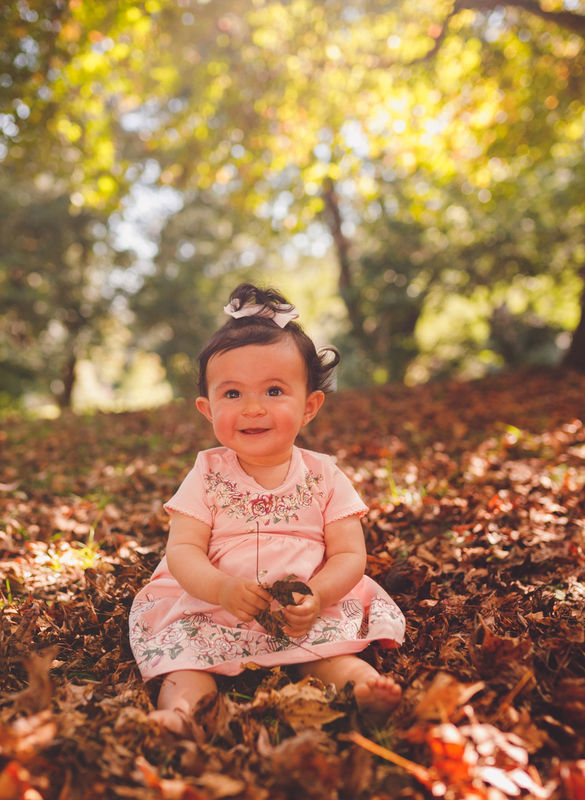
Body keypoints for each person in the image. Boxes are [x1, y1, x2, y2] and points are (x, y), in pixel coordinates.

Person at [129, 283, 406, 734]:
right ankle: (180, 714)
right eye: (233, 394)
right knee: (185, 662)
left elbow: (350, 555)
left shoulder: (324, 475)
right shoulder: (206, 473)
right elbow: (182, 551)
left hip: (307, 611)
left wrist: (318, 596)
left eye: (274, 391)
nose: (253, 408)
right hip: (214, 608)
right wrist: (219, 589)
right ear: (207, 408)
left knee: (333, 656)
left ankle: (362, 690)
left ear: (310, 406)